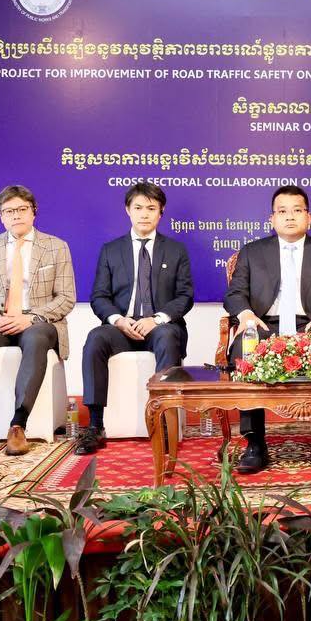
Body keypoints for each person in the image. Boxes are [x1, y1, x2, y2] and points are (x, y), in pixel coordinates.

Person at [224, 184, 311, 474]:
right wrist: (246, 315)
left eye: (297, 210)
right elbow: (234, 294)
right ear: (272, 219)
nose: (289, 217)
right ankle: (255, 443)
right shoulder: (251, 252)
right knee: (245, 347)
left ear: (309, 217)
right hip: (264, 323)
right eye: (282, 211)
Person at [0, 185, 76, 457]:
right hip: (0, 322)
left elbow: (66, 298)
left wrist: (31, 318)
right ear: (1, 217)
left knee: (36, 337)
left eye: (22, 209)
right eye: (9, 211)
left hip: (39, 322)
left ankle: (18, 425)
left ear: (34, 212)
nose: (16, 215)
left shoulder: (56, 246)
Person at [79, 182, 194, 455]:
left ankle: (164, 423)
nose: (144, 214)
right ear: (127, 210)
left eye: (151, 208)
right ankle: (95, 425)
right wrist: (118, 320)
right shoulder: (111, 250)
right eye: (138, 207)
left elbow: (185, 296)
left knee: (168, 336)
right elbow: (99, 296)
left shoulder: (175, 250)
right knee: (95, 338)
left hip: (159, 327)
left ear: (161, 212)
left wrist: (157, 319)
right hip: (123, 326)